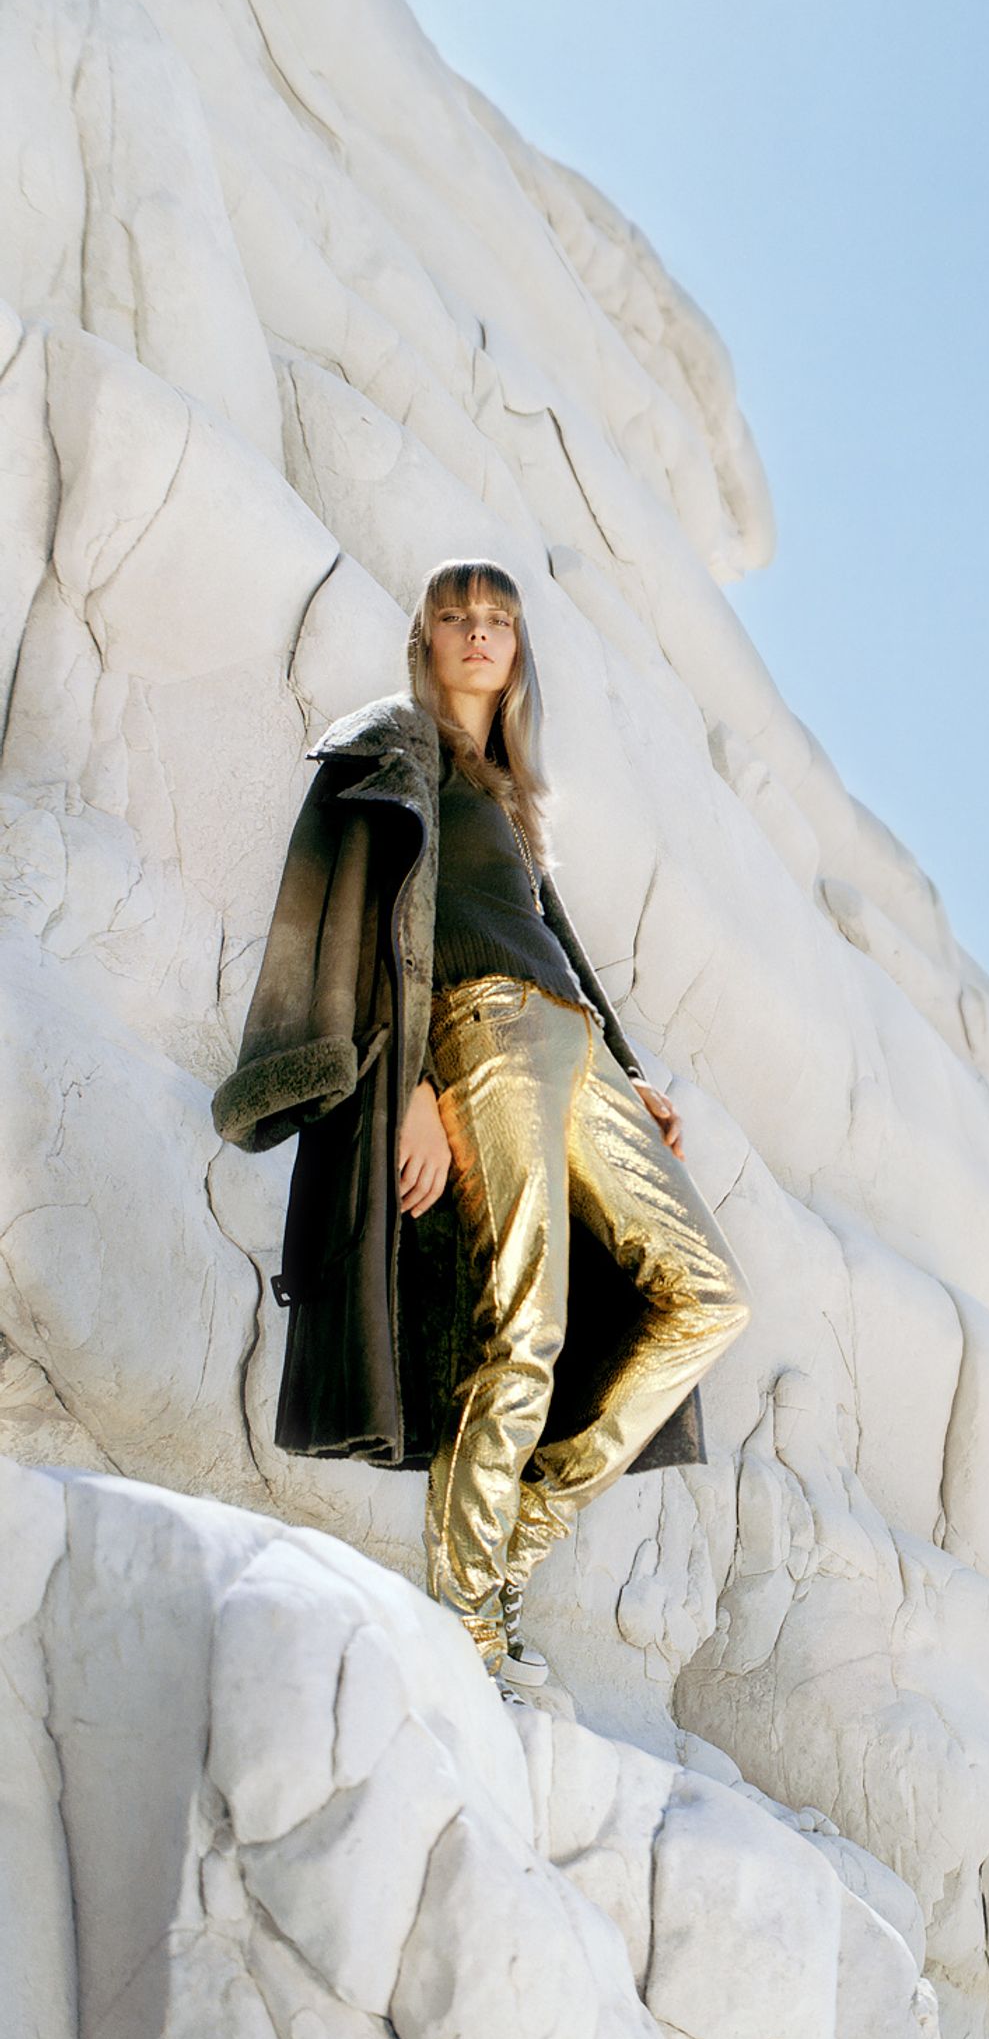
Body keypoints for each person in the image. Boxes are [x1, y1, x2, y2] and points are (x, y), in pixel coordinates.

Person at [213, 559, 752, 1701]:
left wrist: (626, 1069)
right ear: (427, 636)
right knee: (525, 1332)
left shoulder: (506, 801)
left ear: (517, 653)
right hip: (481, 1033)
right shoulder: (397, 746)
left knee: (706, 1297)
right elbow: (363, 920)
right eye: (457, 614)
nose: (477, 632)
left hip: (572, 1048)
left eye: (498, 619)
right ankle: (465, 1629)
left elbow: (558, 950)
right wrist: (402, 1082)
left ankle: (514, 1533)